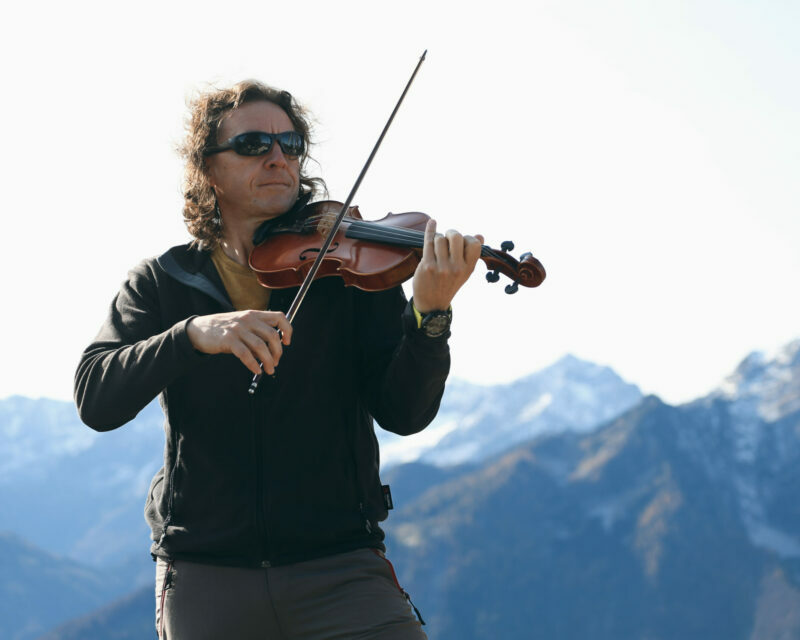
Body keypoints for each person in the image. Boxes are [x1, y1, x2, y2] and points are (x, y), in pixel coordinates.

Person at [74, 80, 482, 639]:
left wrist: (429, 318)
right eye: (253, 145)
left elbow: (404, 413)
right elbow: (96, 397)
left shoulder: (349, 271)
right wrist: (192, 334)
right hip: (206, 574)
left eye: (290, 144)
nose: (277, 158)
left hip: (341, 568)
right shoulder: (164, 282)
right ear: (208, 170)